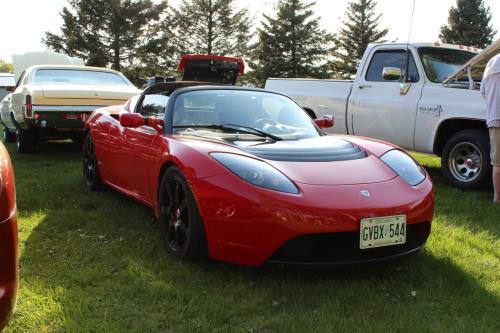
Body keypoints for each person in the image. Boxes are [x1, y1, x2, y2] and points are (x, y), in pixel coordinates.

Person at [481, 53, 500, 203]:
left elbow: (483, 92)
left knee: (498, 162)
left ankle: (497, 198)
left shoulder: (492, 61)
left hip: (495, 118)